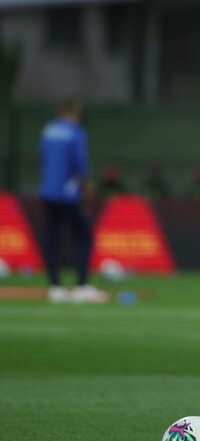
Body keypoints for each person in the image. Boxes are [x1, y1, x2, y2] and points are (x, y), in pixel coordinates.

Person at [39, 98, 107, 304]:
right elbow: (80, 163)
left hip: (47, 191)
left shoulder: (47, 131)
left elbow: (43, 160)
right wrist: (87, 187)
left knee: (53, 238)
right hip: (68, 193)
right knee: (84, 236)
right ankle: (81, 285)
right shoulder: (76, 133)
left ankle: (55, 287)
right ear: (76, 112)